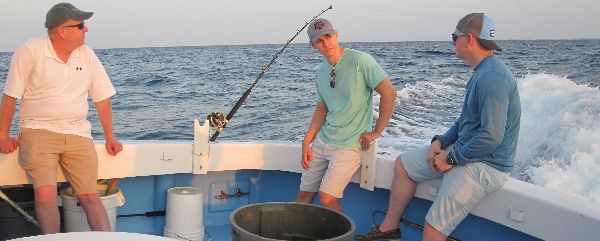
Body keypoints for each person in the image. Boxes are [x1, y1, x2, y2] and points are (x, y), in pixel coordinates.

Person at [355, 13, 521, 241]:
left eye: (455, 37)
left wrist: (451, 159)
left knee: (433, 230)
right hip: (465, 151)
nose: (453, 42)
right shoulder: (480, 73)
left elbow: (492, 136)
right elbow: (464, 122)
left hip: (486, 165)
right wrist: (440, 142)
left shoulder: (492, 77)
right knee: (404, 165)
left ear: (470, 40)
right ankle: (389, 229)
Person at [0, 3, 123, 234]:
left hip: (78, 133)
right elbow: (10, 97)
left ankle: (106, 240)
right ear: (61, 30)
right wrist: (3, 135)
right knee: (45, 193)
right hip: (38, 131)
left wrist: (110, 137)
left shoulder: (87, 54)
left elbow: (102, 99)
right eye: (80, 25)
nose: (86, 30)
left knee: (90, 195)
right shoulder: (30, 50)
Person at [295, 18, 397, 212]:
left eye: (328, 36)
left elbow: (389, 93)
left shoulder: (360, 60)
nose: (326, 43)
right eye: (319, 40)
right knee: (303, 195)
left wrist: (377, 131)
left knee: (326, 199)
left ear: (336, 35)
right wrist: (307, 141)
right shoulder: (321, 72)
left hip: (349, 145)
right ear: (312, 46)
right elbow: (322, 108)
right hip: (322, 141)